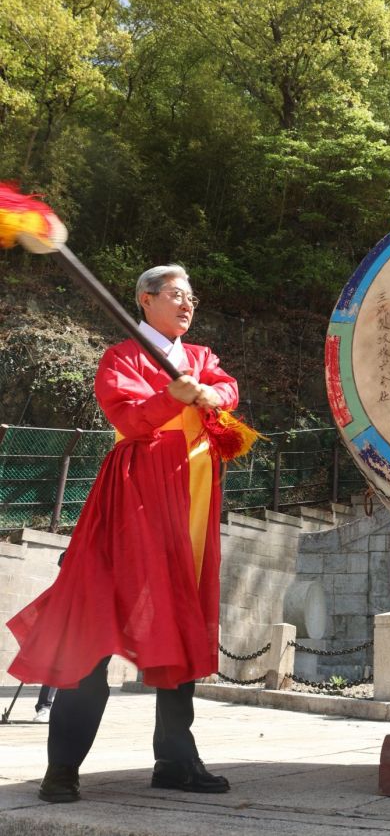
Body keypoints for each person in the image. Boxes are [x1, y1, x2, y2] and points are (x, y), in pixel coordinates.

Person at [7, 265, 238, 803]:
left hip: (192, 506)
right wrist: (173, 397)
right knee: (95, 624)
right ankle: (62, 766)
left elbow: (226, 387)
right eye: (177, 295)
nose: (187, 304)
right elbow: (131, 420)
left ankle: (176, 761)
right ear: (146, 300)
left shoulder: (199, 357)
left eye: (192, 296)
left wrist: (206, 393)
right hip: (133, 502)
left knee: (182, 624)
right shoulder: (122, 356)